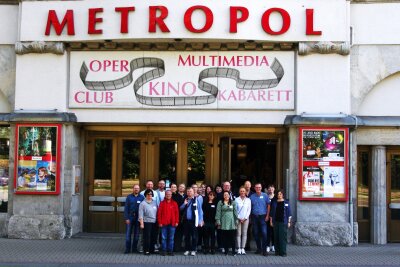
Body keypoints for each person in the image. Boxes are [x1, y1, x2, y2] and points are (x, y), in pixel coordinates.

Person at [180, 187, 204, 256]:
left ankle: (193, 249)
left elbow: (200, 211)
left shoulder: (196, 200)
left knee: (194, 236)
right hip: (186, 221)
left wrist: (200, 220)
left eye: (190, 191)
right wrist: (184, 204)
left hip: (194, 221)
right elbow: (180, 209)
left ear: (193, 192)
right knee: (187, 236)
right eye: (188, 191)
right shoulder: (185, 199)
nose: (189, 192)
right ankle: (187, 249)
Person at [249, 183, 271, 256]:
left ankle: (264, 250)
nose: (258, 188)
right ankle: (259, 249)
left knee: (264, 233)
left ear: (261, 188)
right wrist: (250, 217)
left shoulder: (265, 195)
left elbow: (268, 205)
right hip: (254, 217)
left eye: (259, 187)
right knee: (255, 233)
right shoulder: (252, 197)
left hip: (263, 217)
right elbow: (250, 207)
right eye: (256, 187)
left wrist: (267, 215)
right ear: (254, 188)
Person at [269, 189, 292, 257]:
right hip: (276, 222)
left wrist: (289, 222)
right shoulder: (274, 202)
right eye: (278, 194)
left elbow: (289, 213)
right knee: (276, 237)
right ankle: (277, 252)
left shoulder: (286, 202)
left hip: (283, 222)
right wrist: (271, 221)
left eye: (280, 194)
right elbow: (272, 213)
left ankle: (283, 252)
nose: (279, 195)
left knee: (283, 238)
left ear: (283, 195)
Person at [215, 191, 238, 256]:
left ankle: (233, 251)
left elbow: (235, 212)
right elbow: (218, 212)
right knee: (225, 238)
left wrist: (236, 220)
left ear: (229, 195)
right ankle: (226, 251)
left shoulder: (233, 202)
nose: (226, 196)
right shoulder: (220, 202)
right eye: (224, 195)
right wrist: (218, 221)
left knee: (232, 238)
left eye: (227, 194)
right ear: (223, 196)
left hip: (231, 222)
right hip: (224, 222)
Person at [157, 190, 179, 256]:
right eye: (167, 194)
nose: (168, 195)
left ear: (171, 195)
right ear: (165, 195)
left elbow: (177, 213)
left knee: (171, 238)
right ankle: (164, 250)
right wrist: (160, 222)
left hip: (172, 224)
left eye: (169, 194)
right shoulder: (162, 203)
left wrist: (177, 221)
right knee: (164, 238)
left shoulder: (174, 203)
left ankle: (170, 251)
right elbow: (159, 213)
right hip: (164, 224)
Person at [124, 184, 144, 254]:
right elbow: (126, 208)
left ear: (139, 189)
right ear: (133, 189)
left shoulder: (142, 197)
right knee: (128, 234)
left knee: (136, 235)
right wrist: (126, 218)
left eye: (137, 188)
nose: (136, 189)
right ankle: (127, 249)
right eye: (135, 188)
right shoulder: (129, 197)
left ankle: (134, 249)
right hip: (130, 217)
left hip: (138, 218)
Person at [138, 189, 158, 255]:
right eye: (148, 194)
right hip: (146, 222)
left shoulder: (154, 202)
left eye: (151, 194)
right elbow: (140, 214)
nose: (149, 195)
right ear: (145, 195)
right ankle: (146, 250)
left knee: (153, 236)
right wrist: (141, 223)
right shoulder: (142, 204)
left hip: (154, 222)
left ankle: (152, 250)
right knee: (147, 237)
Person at [235, 186, 251, 255]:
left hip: (245, 219)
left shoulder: (248, 200)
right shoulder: (236, 199)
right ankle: (238, 248)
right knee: (238, 233)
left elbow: (249, 210)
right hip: (238, 219)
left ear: (245, 192)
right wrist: (239, 218)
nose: (242, 192)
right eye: (241, 191)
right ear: (239, 192)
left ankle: (243, 248)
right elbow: (235, 210)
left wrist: (245, 218)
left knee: (244, 233)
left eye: (243, 191)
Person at [172, 183, 186, 252]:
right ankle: (175, 247)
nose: (181, 188)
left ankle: (180, 246)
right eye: (180, 186)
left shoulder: (186, 196)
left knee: (181, 233)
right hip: (177, 216)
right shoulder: (174, 196)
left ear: (184, 188)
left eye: (183, 187)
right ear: (178, 188)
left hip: (184, 217)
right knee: (176, 233)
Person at [266, 184, 277, 253]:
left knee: (274, 232)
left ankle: (273, 245)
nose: (270, 189)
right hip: (267, 217)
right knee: (268, 232)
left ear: (274, 189)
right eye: (269, 188)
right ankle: (267, 246)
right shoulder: (266, 197)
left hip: (274, 217)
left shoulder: (276, 197)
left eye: (272, 188)